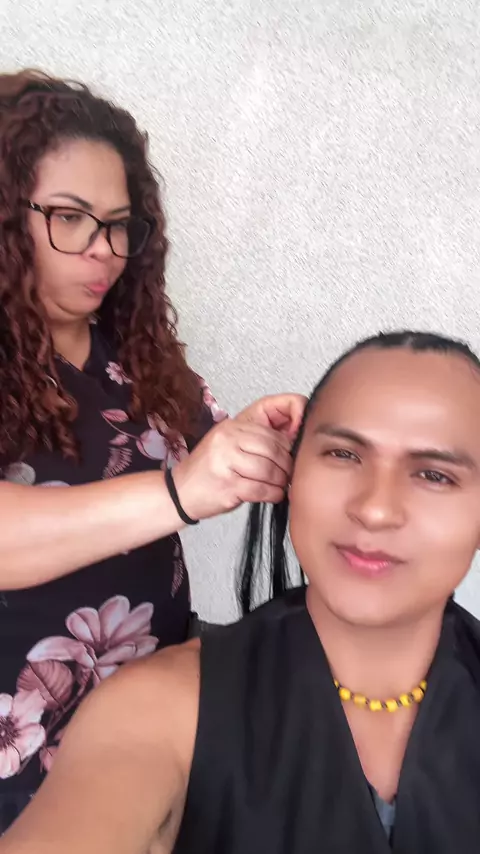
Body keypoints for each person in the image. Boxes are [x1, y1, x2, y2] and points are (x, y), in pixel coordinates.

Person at [4, 329, 480, 853]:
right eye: (344, 454)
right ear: (289, 472)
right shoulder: (160, 709)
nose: (375, 508)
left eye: (434, 475)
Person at [0, 68, 306, 830]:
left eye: (118, 225)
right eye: (69, 218)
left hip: (144, 722)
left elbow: (217, 448)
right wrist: (179, 492)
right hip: (19, 742)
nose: (104, 251)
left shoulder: (134, 357)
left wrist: (287, 443)